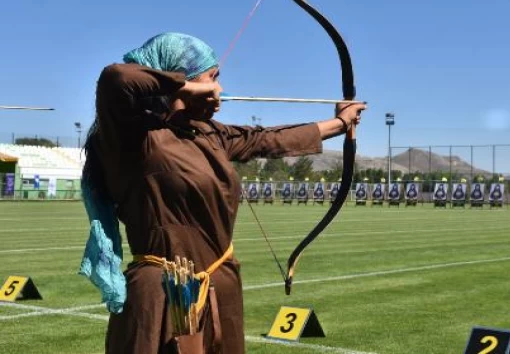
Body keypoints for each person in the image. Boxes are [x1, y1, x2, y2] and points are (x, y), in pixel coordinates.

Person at [78, 33, 365, 354]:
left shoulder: (211, 134)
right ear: (181, 77)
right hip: (161, 295)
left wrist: (340, 122)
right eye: (212, 77)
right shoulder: (134, 137)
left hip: (220, 288)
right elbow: (116, 78)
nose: (219, 87)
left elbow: (268, 139)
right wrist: (187, 88)